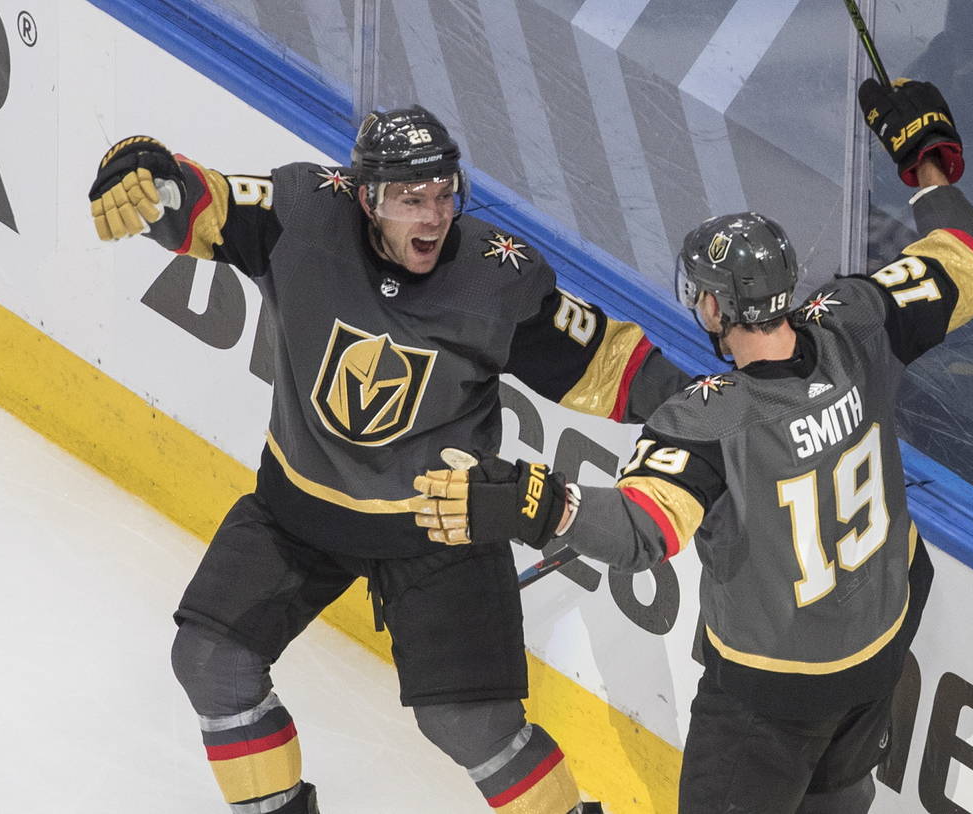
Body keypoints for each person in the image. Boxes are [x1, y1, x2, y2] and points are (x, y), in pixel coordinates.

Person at [411, 80, 973, 813]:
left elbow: (641, 534)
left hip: (770, 691)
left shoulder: (704, 422)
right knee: (840, 796)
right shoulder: (859, 322)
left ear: (716, 306)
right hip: (877, 651)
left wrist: (532, 501)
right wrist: (926, 166)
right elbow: (971, 260)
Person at [87, 106, 688, 814]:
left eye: (444, 195)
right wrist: (140, 162)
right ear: (367, 196)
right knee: (211, 662)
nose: (433, 217)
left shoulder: (493, 278)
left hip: (441, 522)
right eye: (411, 199)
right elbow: (200, 202)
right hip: (298, 511)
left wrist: (725, 412)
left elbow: (612, 367)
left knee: (470, 724)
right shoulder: (303, 214)